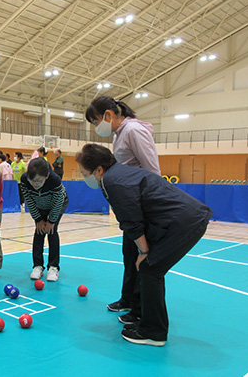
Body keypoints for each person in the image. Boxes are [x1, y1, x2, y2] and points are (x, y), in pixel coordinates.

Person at [75, 144, 212, 346]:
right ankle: (144, 319)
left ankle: (154, 332)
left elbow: (132, 221)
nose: (83, 177)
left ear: (99, 170)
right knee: (148, 269)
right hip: (178, 220)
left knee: (150, 269)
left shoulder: (113, 182)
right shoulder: (118, 173)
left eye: (84, 173)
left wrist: (144, 251)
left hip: (184, 223)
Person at [86, 96, 161, 325]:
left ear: (108, 115)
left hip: (142, 205)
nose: (97, 127)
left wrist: (146, 206)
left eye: (96, 121)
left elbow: (152, 170)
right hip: (130, 206)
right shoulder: (120, 133)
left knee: (141, 257)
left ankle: (139, 309)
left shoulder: (134, 131)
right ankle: (127, 299)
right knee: (129, 256)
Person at [20, 158, 68, 282]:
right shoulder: (24, 180)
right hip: (38, 205)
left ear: (46, 176)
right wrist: (38, 219)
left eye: (39, 181)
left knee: (51, 231)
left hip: (56, 204)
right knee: (39, 231)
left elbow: (58, 201)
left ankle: (53, 267)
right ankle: (37, 266)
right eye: (32, 180)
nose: (35, 184)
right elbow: (29, 201)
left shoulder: (55, 180)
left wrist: (51, 221)